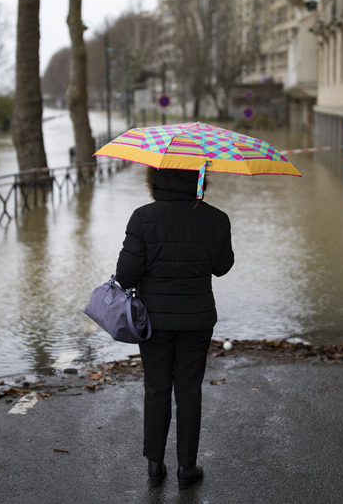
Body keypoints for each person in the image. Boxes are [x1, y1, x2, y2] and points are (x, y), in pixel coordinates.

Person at [114, 166, 234, 490]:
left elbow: (125, 275)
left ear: (154, 181)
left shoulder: (142, 218)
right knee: (189, 390)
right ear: (200, 180)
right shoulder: (217, 218)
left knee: (156, 387)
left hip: (154, 321)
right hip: (197, 319)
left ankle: (155, 465)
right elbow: (222, 268)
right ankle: (187, 468)